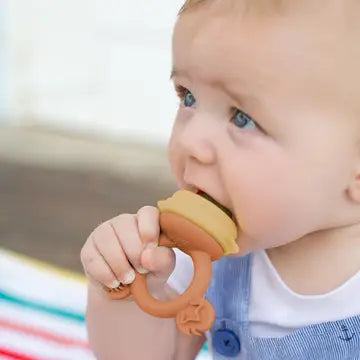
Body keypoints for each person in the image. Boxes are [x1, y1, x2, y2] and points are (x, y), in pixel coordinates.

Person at [80, 0, 360, 358]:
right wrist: (127, 287)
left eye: (242, 118)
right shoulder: (200, 259)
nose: (191, 141)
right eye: (189, 97)